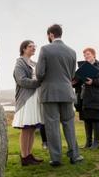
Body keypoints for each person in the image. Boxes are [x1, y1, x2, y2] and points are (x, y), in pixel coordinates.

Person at [35, 24, 82, 167]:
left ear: (50, 34)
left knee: (52, 125)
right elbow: (72, 75)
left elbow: (40, 73)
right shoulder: (72, 52)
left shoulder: (45, 49)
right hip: (67, 92)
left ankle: (56, 158)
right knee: (69, 124)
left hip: (50, 93)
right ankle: (75, 155)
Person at [11, 40, 45, 166]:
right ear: (24, 49)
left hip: (35, 98)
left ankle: (29, 154)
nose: (33, 48)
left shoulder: (34, 63)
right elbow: (21, 80)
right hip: (26, 99)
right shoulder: (19, 63)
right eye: (30, 46)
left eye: (34, 47)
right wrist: (38, 83)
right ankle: (24, 156)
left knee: (31, 128)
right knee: (26, 128)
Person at [74, 47, 99, 149]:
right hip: (84, 98)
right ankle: (88, 142)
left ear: (94, 55)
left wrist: (93, 81)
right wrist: (74, 82)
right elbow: (78, 82)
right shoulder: (82, 68)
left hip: (97, 98)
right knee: (87, 120)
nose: (86, 56)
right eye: (85, 55)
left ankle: (96, 142)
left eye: (88, 54)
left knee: (95, 120)